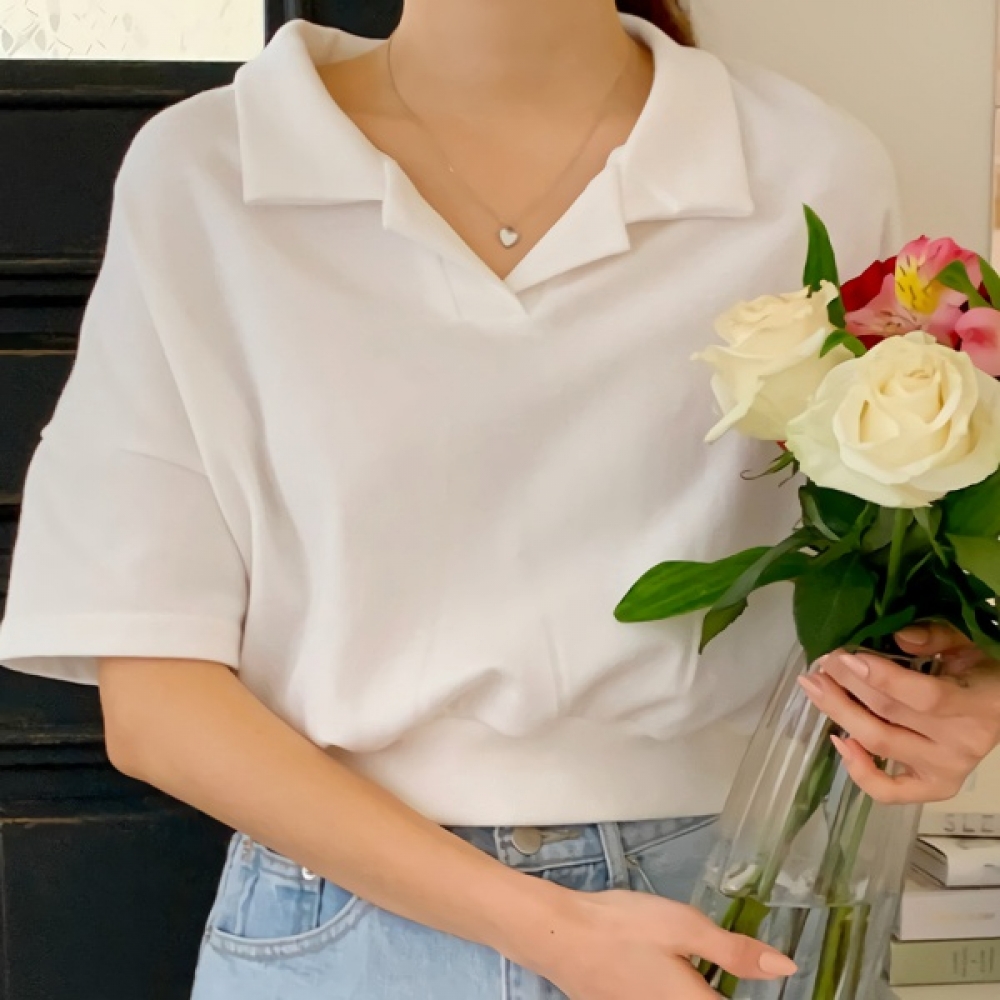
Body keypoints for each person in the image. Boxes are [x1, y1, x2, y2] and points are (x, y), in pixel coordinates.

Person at [1, 1, 998, 997]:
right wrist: (548, 928)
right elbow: (155, 698)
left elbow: (892, 566)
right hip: (342, 925)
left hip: (729, 900)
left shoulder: (807, 166)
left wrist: (959, 693)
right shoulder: (210, 169)